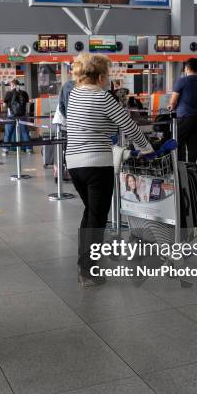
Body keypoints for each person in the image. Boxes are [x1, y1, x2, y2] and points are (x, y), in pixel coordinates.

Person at [66, 53, 153, 288]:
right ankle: (88, 271)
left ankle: (84, 266)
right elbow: (129, 126)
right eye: (108, 74)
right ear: (102, 76)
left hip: (74, 164)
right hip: (97, 164)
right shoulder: (103, 97)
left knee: (90, 214)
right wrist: (147, 149)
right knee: (97, 218)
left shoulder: (74, 94)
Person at [169, 58, 197, 163]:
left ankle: (181, 166)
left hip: (185, 116)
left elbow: (173, 102)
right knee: (192, 142)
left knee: (179, 141)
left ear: (186, 68)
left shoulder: (182, 81)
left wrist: (171, 106)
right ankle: (192, 166)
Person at [3, 79, 31, 154]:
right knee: (24, 132)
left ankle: (6, 149)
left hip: (11, 115)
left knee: (8, 132)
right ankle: (29, 149)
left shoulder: (8, 93)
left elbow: (4, 105)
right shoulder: (24, 93)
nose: (10, 87)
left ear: (13, 85)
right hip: (22, 115)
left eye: (11, 85)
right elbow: (27, 104)